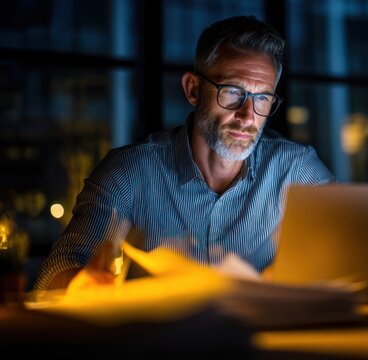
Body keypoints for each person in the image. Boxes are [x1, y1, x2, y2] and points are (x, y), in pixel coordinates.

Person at [34, 15, 334, 291]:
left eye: (262, 98)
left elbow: (349, 256)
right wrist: (85, 284)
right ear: (192, 89)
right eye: (232, 92)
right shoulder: (129, 172)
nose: (248, 115)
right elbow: (56, 271)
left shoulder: (296, 169)